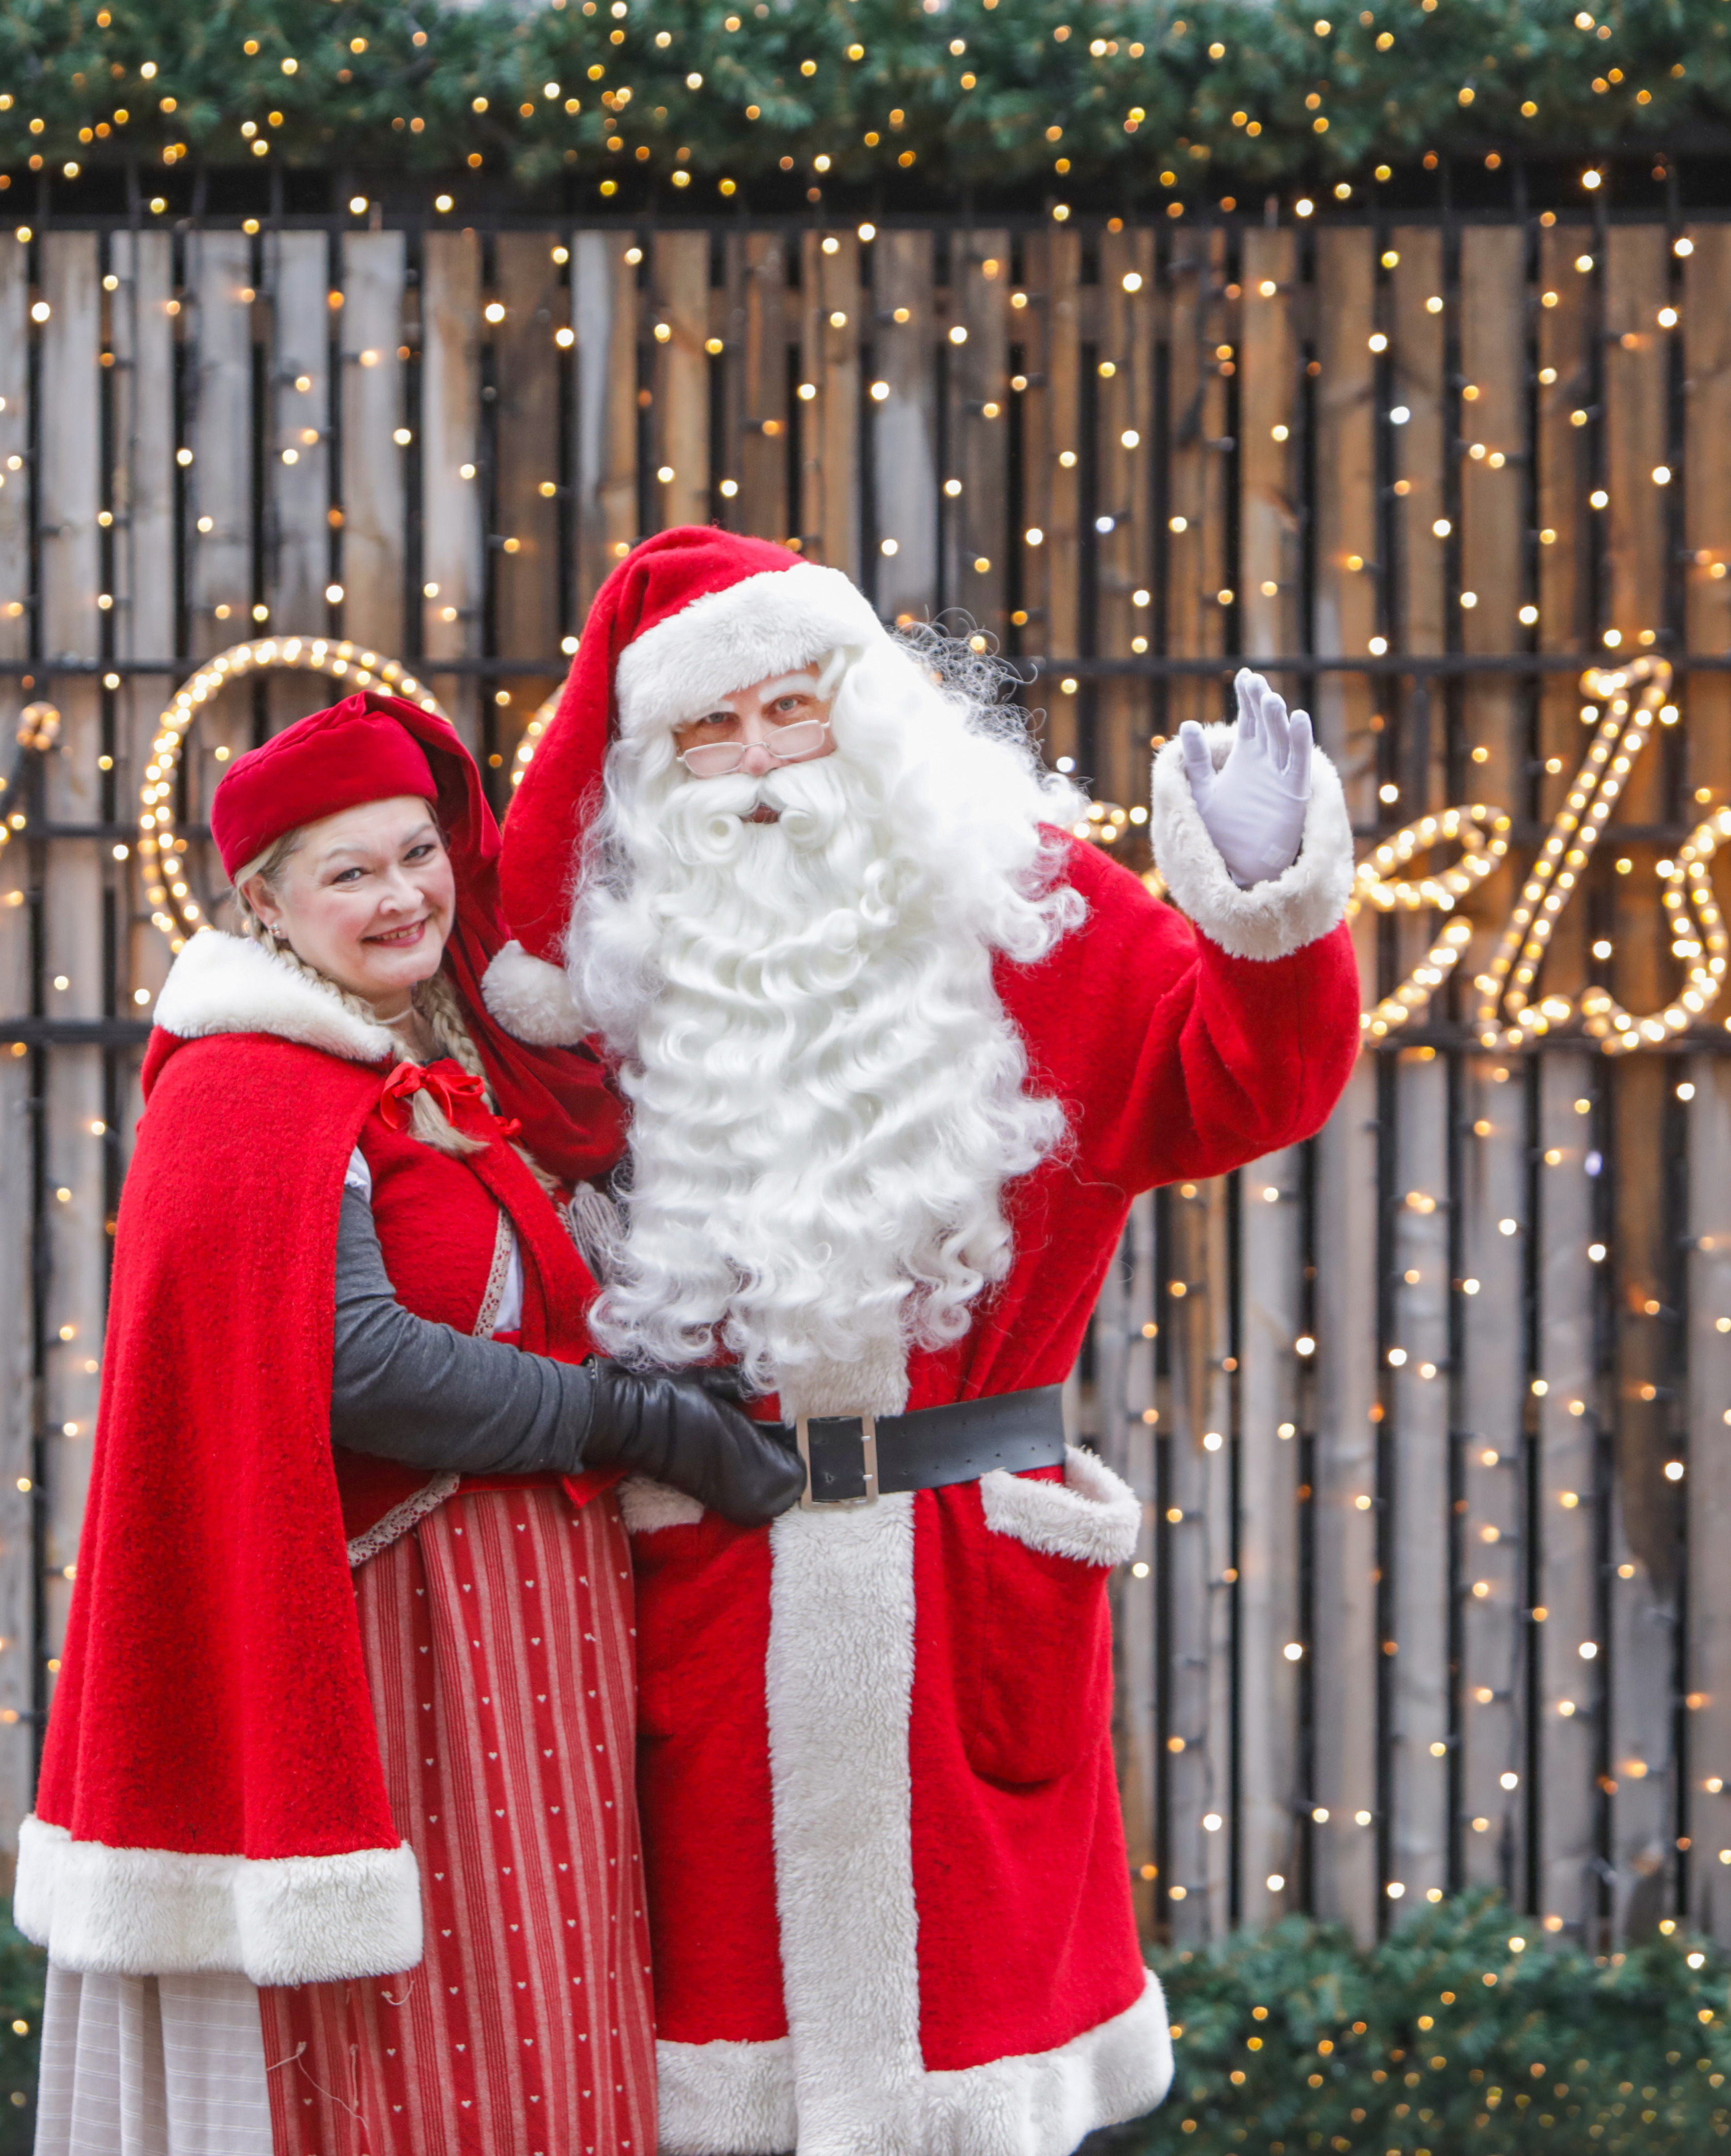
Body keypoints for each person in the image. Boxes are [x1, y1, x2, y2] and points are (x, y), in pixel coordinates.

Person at [478, 527, 1365, 2156]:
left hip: (969, 1597)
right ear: (650, 770)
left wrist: (1269, 917)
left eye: (790, 709)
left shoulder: (1023, 905)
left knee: (976, 2087)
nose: (757, 765)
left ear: (865, 711)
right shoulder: (611, 990)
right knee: (711, 2089)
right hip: (708, 1604)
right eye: (707, 730)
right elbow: (463, 994)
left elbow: (1239, 1084)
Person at [19, 689, 805, 2156]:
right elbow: (362, 1363)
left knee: (550, 2048)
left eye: (415, 852)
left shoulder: (408, 1073)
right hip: (401, 1652)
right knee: (421, 2068)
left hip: (534, 1648)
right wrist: (635, 1421)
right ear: (262, 900)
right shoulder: (248, 1084)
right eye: (351, 872)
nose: (405, 894)